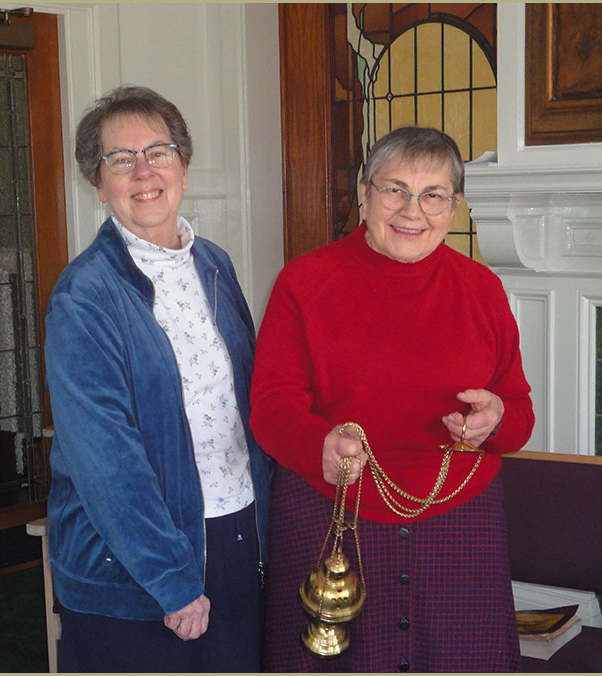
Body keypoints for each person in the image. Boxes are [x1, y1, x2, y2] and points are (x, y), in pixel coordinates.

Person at [250, 126, 534, 672]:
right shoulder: (303, 282)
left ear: (454, 205)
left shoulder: (482, 289)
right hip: (330, 510)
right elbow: (272, 406)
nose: (412, 210)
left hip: (459, 523)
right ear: (363, 192)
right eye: (394, 190)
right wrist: (320, 445)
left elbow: (518, 414)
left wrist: (495, 419)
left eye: (433, 195)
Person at [44, 85, 272, 673]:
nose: (143, 170)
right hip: (135, 564)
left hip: (234, 531)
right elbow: (105, 460)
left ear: (184, 167)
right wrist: (171, 578)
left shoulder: (214, 263)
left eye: (159, 152)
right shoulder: (84, 296)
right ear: (99, 184)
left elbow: (246, 403)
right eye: (120, 159)